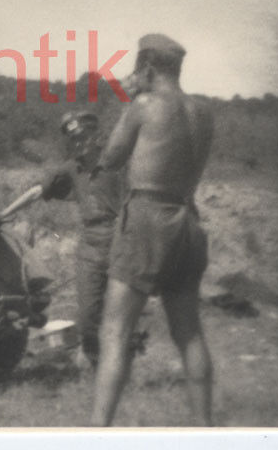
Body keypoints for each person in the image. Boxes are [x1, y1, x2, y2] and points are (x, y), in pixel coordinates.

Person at [90, 33, 214, 426]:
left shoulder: (142, 106)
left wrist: (126, 104)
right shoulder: (203, 113)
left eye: (137, 69)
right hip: (187, 220)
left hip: (147, 219)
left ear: (146, 68)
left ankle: (96, 432)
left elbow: (110, 159)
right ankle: (204, 428)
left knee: (114, 332)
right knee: (189, 333)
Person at [0, 110, 125, 366]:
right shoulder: (71, 169)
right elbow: (36, 192)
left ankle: (118, 362)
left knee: (120, 311)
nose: (77, 143)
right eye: (72, 139)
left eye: (82, 136)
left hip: (121, 240)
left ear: (96, 135)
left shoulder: (117, 164)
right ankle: (93, 357)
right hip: (90, 243)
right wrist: (4, 213)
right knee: (88, 315)